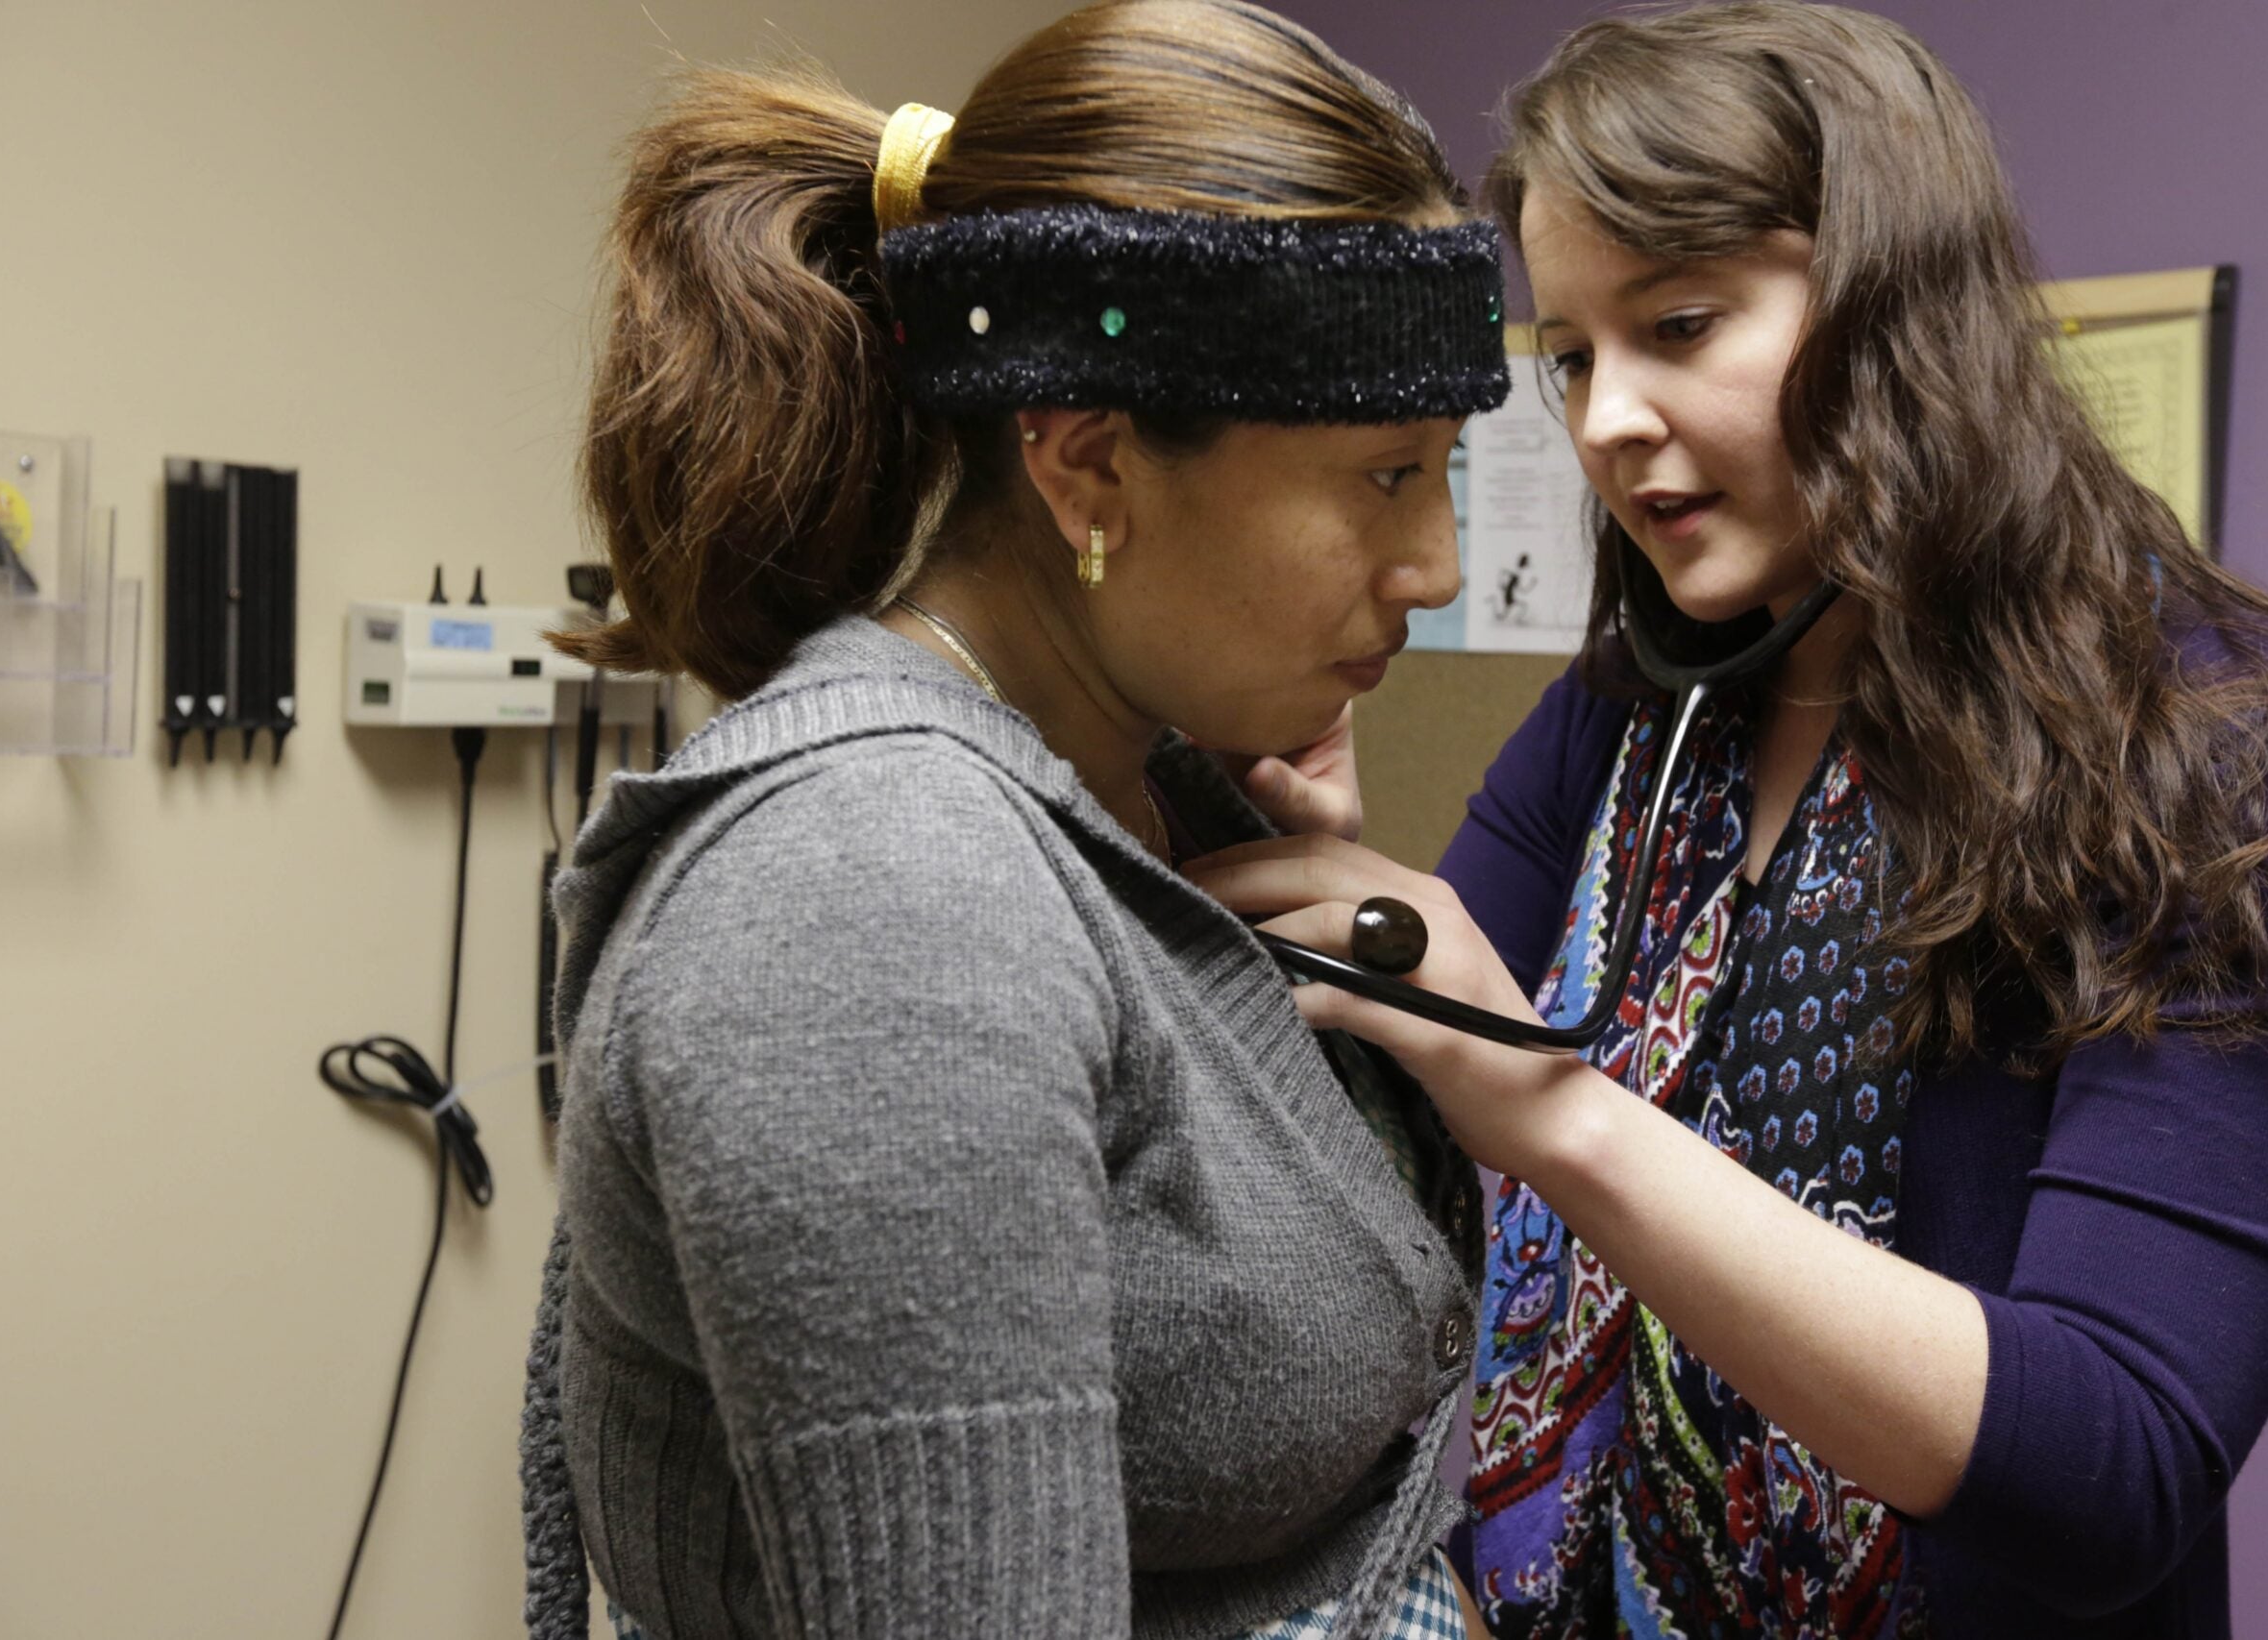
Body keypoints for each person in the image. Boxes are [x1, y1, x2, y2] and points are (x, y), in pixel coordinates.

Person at [1188, 5, 2268, 1637]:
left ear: (1894, 306)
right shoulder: (1647, 701)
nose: (1604, 418)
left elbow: (2111, 1460)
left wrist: (1562, 1115)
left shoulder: (2239, 751)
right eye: (1571, 353)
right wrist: (1348, 876)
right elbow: (1437, 1061)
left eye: (1681, 323)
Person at [514, 4, 1521, 1636]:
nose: (1437, 571)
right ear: (1085, 467)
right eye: (1386, 478)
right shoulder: (868, 899)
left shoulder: (1137, 790)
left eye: (1448, 476)